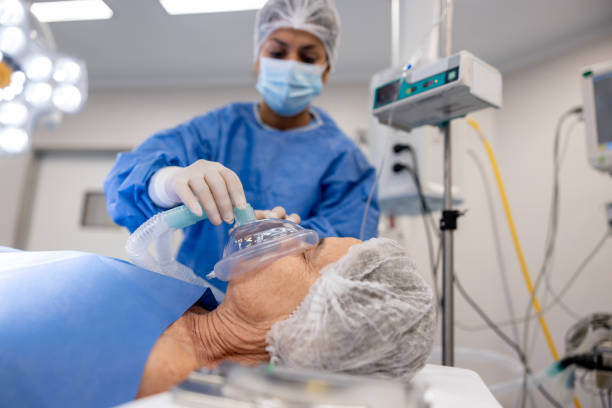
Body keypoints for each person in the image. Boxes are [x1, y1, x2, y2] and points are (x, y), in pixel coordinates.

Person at [103, 0, 380, 302]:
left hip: (285, 319)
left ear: (326, 70)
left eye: (308, 56)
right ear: (258, 61)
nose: (291, 64)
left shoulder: (344, 160)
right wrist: (165, 182)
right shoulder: (217, 130)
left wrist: (291, 237)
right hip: (193, 306)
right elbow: (125, 179)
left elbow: (348, 244)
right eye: (277, 52)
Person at [0, 237, 435, 407]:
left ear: (313, 328)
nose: (290, 237)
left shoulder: (154, 381)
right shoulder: (192, 299)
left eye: (307, 253)